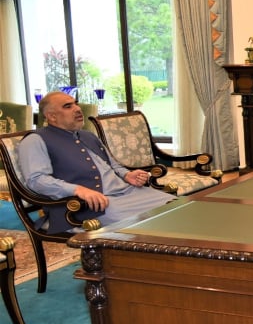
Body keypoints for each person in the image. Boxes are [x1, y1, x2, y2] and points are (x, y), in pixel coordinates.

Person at [18, 91, 176, 233]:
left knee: (177, 209)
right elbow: (36, 180)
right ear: (52, 116)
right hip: (94, 205)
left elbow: (112, 165)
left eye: (76, 104)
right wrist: (78, 190)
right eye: (68, 106)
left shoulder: (88, 135)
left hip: (129, 193)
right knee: (147, 226)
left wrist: (127, 175)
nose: (77, 109)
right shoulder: (35, 140)